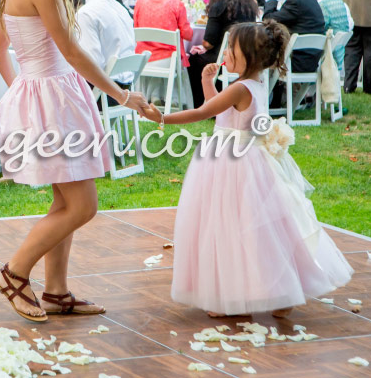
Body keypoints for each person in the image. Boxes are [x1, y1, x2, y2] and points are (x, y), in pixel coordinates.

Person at [0, 0, 148, 322]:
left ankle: (56, 292)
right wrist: (123, 95)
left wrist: (20, 94)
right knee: (83, 206)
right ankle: (14, 272)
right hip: (55, 99)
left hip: (46, 97)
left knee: (64, 201)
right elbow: (73, 52)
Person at [140, 21, 353, 318]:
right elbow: (219, 112)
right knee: (260, 231)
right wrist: (207, 84)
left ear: (249, 57)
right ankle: (280, 294)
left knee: (229, 228)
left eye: (232, 49)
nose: (226, 53)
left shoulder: (239, 87)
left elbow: (203, 113)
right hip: (247, 160)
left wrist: (161, 117)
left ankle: (233, 296)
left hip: (230, 163)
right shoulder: (256, 82)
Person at [188, 0, 258, 107]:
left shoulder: (219, 6)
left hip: (225, 59)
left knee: (194, 60)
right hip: (247, 56)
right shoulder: (249, 5)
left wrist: (203, 46)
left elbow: (208, 43)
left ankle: (200, 104)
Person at [75, 0, 136, 107]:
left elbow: (92, 63)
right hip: (127, 86)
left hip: (106, 93)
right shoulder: (119, 7)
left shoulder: (85, 13)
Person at [133, 0, 193, 104]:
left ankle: (154, 97)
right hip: (168, 60)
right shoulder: (176, 4)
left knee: (156, 55)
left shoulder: (140, 2)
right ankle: (172, 98)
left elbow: (136, 29)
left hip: (144, 58)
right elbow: (188, 35)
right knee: (169, 56)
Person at [263, 0, 326, 74]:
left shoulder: (296, 2)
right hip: (311, 60)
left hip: (295, 61)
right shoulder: (311, 0)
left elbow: (267, 20)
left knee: (258, 54)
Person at [316, 0, 352, 71]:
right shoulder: (339, 2)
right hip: (340, 52)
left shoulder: (324, 5)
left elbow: (319, 27)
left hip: (329, 56)